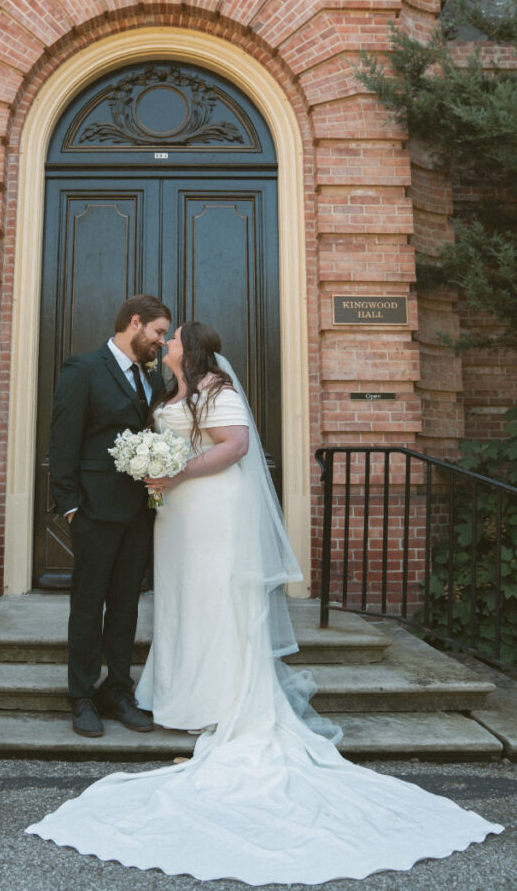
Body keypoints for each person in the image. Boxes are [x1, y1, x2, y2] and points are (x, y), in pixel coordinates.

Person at [29, 322, 503, 884]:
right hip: (170, 516)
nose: (166, 344)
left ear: (192, 348)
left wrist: (174, 472)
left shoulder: (217, 391)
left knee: (216, 595)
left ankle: (221, 694)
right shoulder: (161, 391)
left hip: (208, 506)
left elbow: (236, 446)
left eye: (173, 338)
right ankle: (168, 691)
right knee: (182, 598)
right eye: (162, 334)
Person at [47, 294, 170, 738]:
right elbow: (63, 439)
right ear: (134, 323)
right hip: (94, 511)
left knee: (125, 605)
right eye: (157, 332)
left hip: (140, 511)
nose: (161, 341)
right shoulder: (83, 369)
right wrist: (70, 506)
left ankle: (117, 689)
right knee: (87, 605)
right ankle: (80, 695)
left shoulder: (152, 376)